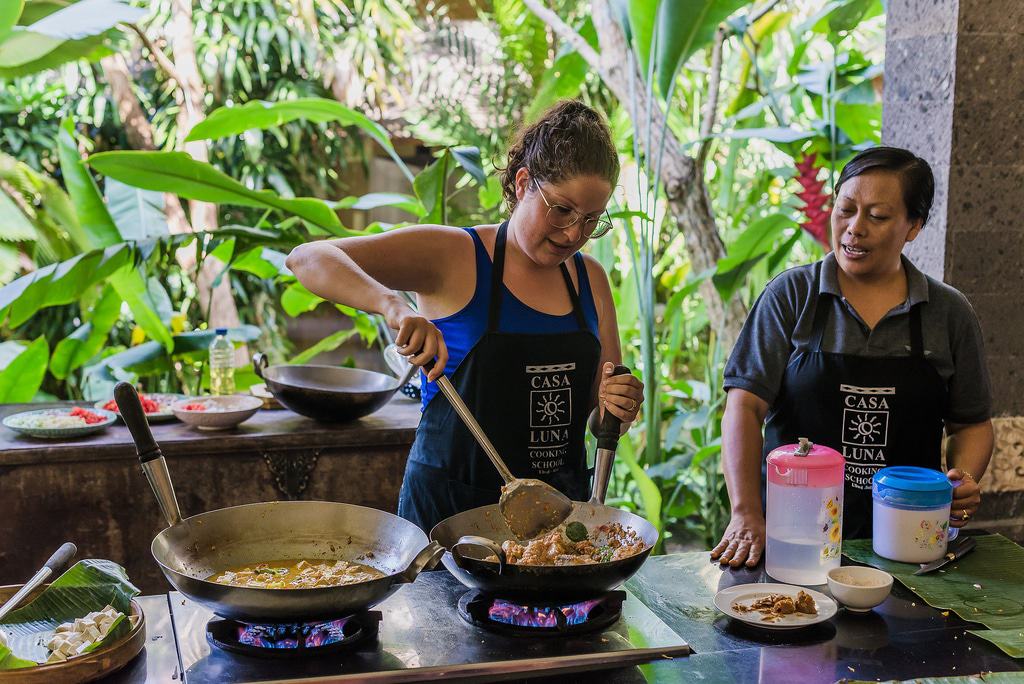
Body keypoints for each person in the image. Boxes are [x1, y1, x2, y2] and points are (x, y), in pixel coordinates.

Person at [286, 100, 644, 533]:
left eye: (591, 220)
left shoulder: (591, 279)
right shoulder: (454, 256)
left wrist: (616, 407)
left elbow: (594, 412)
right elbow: (307, 258)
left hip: (555, 526)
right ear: (524, 181)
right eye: (562, 210)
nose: (573, 234)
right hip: (448, 522)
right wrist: (395, 308)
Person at [711, 146, 994, 568]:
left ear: (913, 226)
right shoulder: (790, 298)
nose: (853, 229)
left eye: (877, 216)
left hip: (909, 549)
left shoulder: (949, 313)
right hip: (795, 544)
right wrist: (746, 513)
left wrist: (963, 480)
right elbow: (744, 407)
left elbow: (970, 424)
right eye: (845, 209)